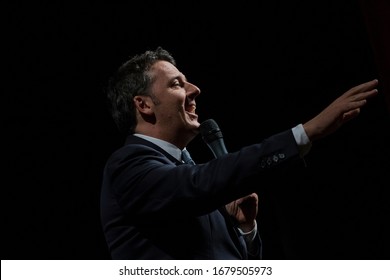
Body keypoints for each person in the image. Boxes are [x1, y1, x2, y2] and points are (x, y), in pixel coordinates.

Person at [100, 46, 379, 260]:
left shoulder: (191, 174)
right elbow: (194, 186)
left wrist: (246, 231)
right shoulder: (129, 165)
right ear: (144, 105)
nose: (194, 89)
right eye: (176, 84)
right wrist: (305, 133)